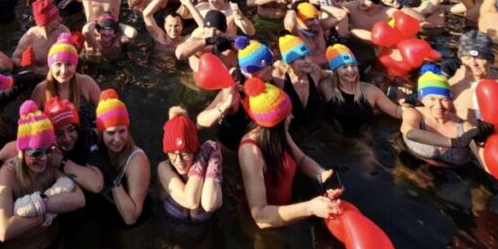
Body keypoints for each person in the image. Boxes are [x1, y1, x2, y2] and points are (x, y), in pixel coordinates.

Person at [238, 78, 340, 229]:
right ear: (275, 125)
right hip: (268, 223)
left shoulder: (279, 134)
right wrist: (310, 208)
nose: (292, 117)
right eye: (288, 115)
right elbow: (260, 216)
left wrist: (323, 175)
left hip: (288, 208)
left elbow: (300, 159)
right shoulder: (250, 152)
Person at [0, 101, 85, 249]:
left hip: (53, 246)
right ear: (21, 152)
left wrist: (40, 204)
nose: (43, 158)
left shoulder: (51, 165)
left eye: (48, 150)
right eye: (36, 153)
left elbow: (79, 199)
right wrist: (45, 215)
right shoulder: (8, 174)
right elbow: (3, 231)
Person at [400, 65, 492, 167]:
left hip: (454, 177)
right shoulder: (413, 113)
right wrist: (455, 142)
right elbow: (410, 133)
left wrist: (482, 141)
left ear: (450, 101)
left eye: (444, 99)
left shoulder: (464, 127)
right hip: (413, 165)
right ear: (422, 99)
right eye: (432, 99)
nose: (438, 106)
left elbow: (485, 165)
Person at [156, 106, 222, 222]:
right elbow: (190, 201)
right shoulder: (164, 168)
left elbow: (210, 204)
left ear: (194, 150)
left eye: (185, 153)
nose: (179, 160)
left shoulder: (209, 164)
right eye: (172, 153)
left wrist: (206, 159)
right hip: (168, 235)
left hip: (204, 236)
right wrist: (199, 163)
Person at [96, 89, 150, 225]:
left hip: (131, 227)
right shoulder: (95, 145)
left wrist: (111, 176)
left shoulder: (137, 160)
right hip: (105, 219)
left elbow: (131, 218)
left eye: (122, 131)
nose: (117, 139)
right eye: (111, 133)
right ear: (101, 132)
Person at [320, 44, 402, 134]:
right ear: (335, 71)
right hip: (333, 140)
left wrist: (413, 112)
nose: (351, 70)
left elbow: (396, 111)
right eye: (344, 67)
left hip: (362, 138)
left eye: (353, 65)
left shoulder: (370, 91)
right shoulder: (326, 87)